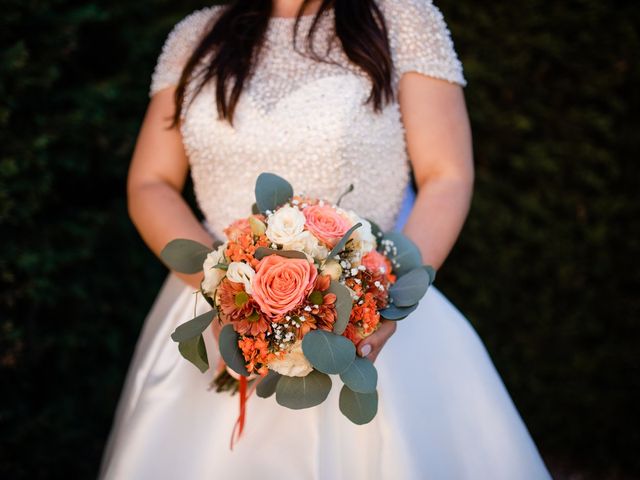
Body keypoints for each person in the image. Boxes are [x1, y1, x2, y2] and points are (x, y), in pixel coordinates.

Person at [98, 0, 552, 478]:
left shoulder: (403, 19)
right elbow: (150, 182)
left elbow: (446, 175)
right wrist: (227, 295)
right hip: (215, 309)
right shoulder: (195, 35)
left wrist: (382, 297)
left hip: (372, 303)